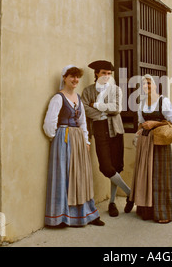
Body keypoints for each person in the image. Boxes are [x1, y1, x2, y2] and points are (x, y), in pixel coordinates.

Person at [43, 65, 104, 227]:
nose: (75, 80)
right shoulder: (58, 98)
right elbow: (49, 123)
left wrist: (86, 140)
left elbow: (83, 122)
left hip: (78, 140)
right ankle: (62, 217)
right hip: (64, 139)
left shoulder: (77, 97)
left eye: (77, 77)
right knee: (64, 176)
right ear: (64, 78)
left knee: (81, 176)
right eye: (72, 76)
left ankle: (87, 213)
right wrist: (57, 139)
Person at [81, 60, 133, 217]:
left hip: (116, 130)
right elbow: (84, 108)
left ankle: (112, 202)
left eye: (109, 74)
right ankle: (130, 193)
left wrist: (96, 105)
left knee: (116, 167)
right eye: (103, 73)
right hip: (99, 130)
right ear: (96, 74)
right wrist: (102, 112)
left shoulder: (115, 90)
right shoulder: (88, 91)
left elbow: (117, 108)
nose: (106, 76)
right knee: (105, 166)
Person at [129, 74, 172, 224]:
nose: (146, 87)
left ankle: (163, 212)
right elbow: (141, 122)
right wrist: (139, 131)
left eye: (149, 84)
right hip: (145, 142)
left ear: (156, 85)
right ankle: (146, 210)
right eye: (144, 85)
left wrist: (154, 124)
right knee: (146, 174)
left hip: (160, 143)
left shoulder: (164, 101)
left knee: (160, 176)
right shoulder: (142, 102)